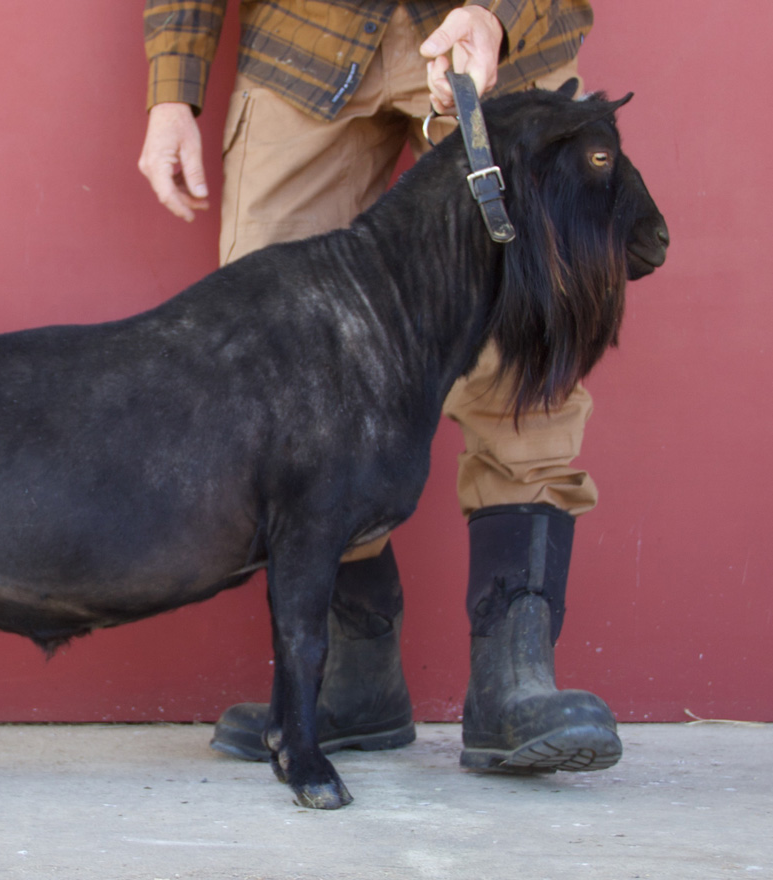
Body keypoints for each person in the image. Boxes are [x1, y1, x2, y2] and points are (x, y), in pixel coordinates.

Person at [138, 0, 623, 774]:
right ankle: (353, 678)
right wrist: (172, 87)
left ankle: (513, 677)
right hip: (307, 40)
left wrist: (497, 17)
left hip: (507, 49)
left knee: (523, 356)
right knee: (283, 372)